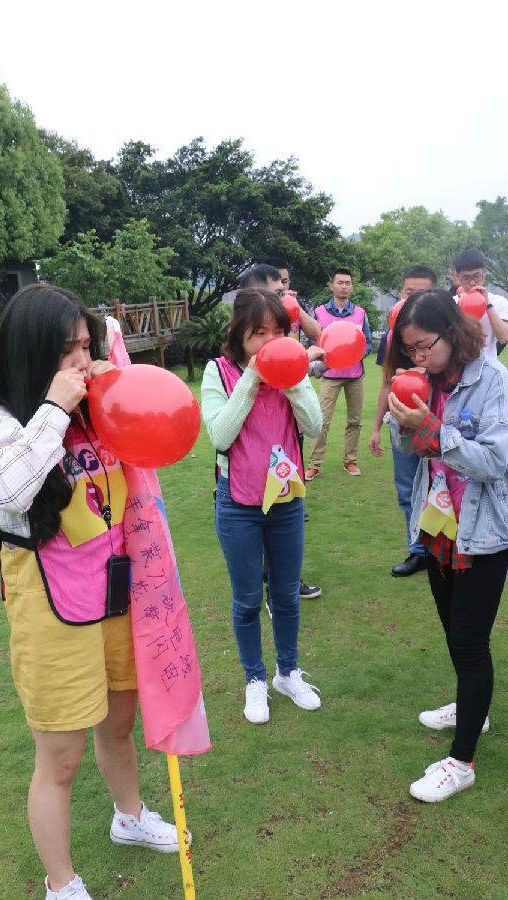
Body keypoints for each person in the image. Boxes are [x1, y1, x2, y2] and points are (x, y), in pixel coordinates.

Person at [0, 284, 185, 900]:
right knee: (60, 756)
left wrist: (113, 392)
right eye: (68, 349)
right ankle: (60, 883)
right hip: (50, 602)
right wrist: (56, 408)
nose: (82, 361)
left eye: (87, 346)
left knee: (120, 724)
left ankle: (129, 817)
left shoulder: (97, 404)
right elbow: (11, 489)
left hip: (117, 590)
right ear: (33, 350)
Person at [386, 288, 508, 803]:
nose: (417, 356)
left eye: (424, 345)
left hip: (483, 531)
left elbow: (495, 462)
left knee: (470, 642)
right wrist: (400, 419)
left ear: (452, 333)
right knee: (453, 633)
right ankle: (472, 710)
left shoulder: (493, 380)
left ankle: (461, 764)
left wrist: (433, 429)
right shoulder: (427, 381)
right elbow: (409, 450)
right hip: (438, 526)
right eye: (409, 348)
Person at [201, 287, 323, 724]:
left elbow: (314, 425)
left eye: (277, 333)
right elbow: (220, 435)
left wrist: (291, 381)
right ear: (240, 335)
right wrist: (252, 379)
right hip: (238, 504)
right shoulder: (218, 371)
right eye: (259, 334)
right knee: (249, 599)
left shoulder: (293, 371)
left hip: (286, 500)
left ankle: (287, 673)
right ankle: (254, 679)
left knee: (286, 595)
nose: (270, 342)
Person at [237, 263, 323, 598]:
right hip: (242, 481)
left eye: (284, 291)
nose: (283, 298)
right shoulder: (228, 366)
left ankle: (284, 578)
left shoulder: (285, 341)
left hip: (285, 457)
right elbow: (222, 436)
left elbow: (313, 425)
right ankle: (268, 574)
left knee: (286, 508)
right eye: (277, 292)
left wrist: (294, 371)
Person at [369, 266, 437, 576]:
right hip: (402, 426)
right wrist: (376, 428)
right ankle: (418, 551)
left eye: (423, 293)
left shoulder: (445, 337)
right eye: (410, 292)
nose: (414, 300)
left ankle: (442, 548)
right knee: (407, 488)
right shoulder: (391, 337)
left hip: (437, 422)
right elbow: (387, 384)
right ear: (401, 293)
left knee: (441, 483)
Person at [305, 269, 372, 479]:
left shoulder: (360, 313)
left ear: (352, 287)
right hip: (330, 375)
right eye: (340, 282)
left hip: (355, 376)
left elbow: (368, 343)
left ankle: (350, 460)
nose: (344, 286)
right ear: (331, 286)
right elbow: (313, 343)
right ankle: (314, 464)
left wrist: (353, 356)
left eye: (348, 283)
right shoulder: (319, 313)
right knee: (322, 420)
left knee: (355, 420)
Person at [453, 248, 508, 361]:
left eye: (477, 276)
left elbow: (503, 337)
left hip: (488, 366)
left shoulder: (499, 301)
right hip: (459, 365)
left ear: (484, 272)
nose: (472, 283)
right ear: (458, 277)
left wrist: (487, 304)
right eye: (466, 278)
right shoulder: (451, 303)